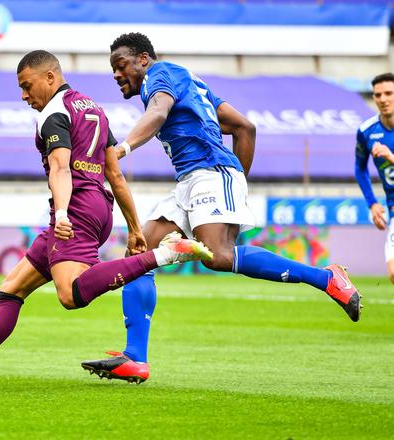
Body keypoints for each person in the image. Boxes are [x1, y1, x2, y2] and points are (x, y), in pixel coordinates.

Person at [0, 50, 212, 389]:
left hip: (76, 209)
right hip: (99, 206)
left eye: (27, 86)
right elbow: (115, 173)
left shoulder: (54, 113)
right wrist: (132, 226)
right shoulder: (93, 108)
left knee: (70, 295)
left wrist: (63, 212)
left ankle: (167, 254)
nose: (25, 96)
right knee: (11, 290)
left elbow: (60, 167)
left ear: (50, 77)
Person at [80, 32, 363, 384]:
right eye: (112, 70)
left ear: (142, 59)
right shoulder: (189, 82)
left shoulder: (161, 74)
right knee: (142, 251)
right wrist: (238, 183)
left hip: (210, 172)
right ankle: (135, 357)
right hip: (191, 180)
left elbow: (158, 112)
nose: (116, 75)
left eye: (120, 66)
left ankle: (327, 278)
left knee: (217, 256)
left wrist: (122, 149)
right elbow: (244, 127)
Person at [355, 73, 394, 284]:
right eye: (378, 95)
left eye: (389, 93)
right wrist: (372, 203)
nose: (383, 99)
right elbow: (360, 169)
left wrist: (390, 157)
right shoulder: (366, 131)